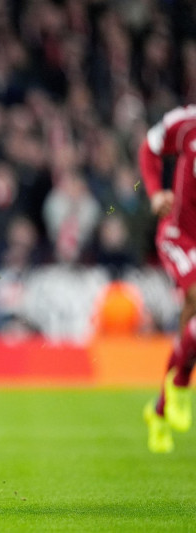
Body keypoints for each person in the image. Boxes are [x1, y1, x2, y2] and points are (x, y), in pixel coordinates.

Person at [139, 105, 196, 453]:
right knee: (195, 297)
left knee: (192, 319)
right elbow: (149, 146)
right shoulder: (186, 123)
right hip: (178, 234)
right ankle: (181, 385)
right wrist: (155, 191)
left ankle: (160, 408)